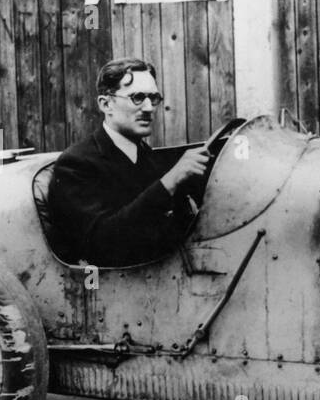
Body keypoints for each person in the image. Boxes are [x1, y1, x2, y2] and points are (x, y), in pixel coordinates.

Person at [47, 58, 211, 266]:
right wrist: (169, 182)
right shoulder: (77, 164)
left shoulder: (146, 156)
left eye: (154, 98)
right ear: (106, 104)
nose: (149, 108)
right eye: (138, 97)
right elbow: (102, 243)